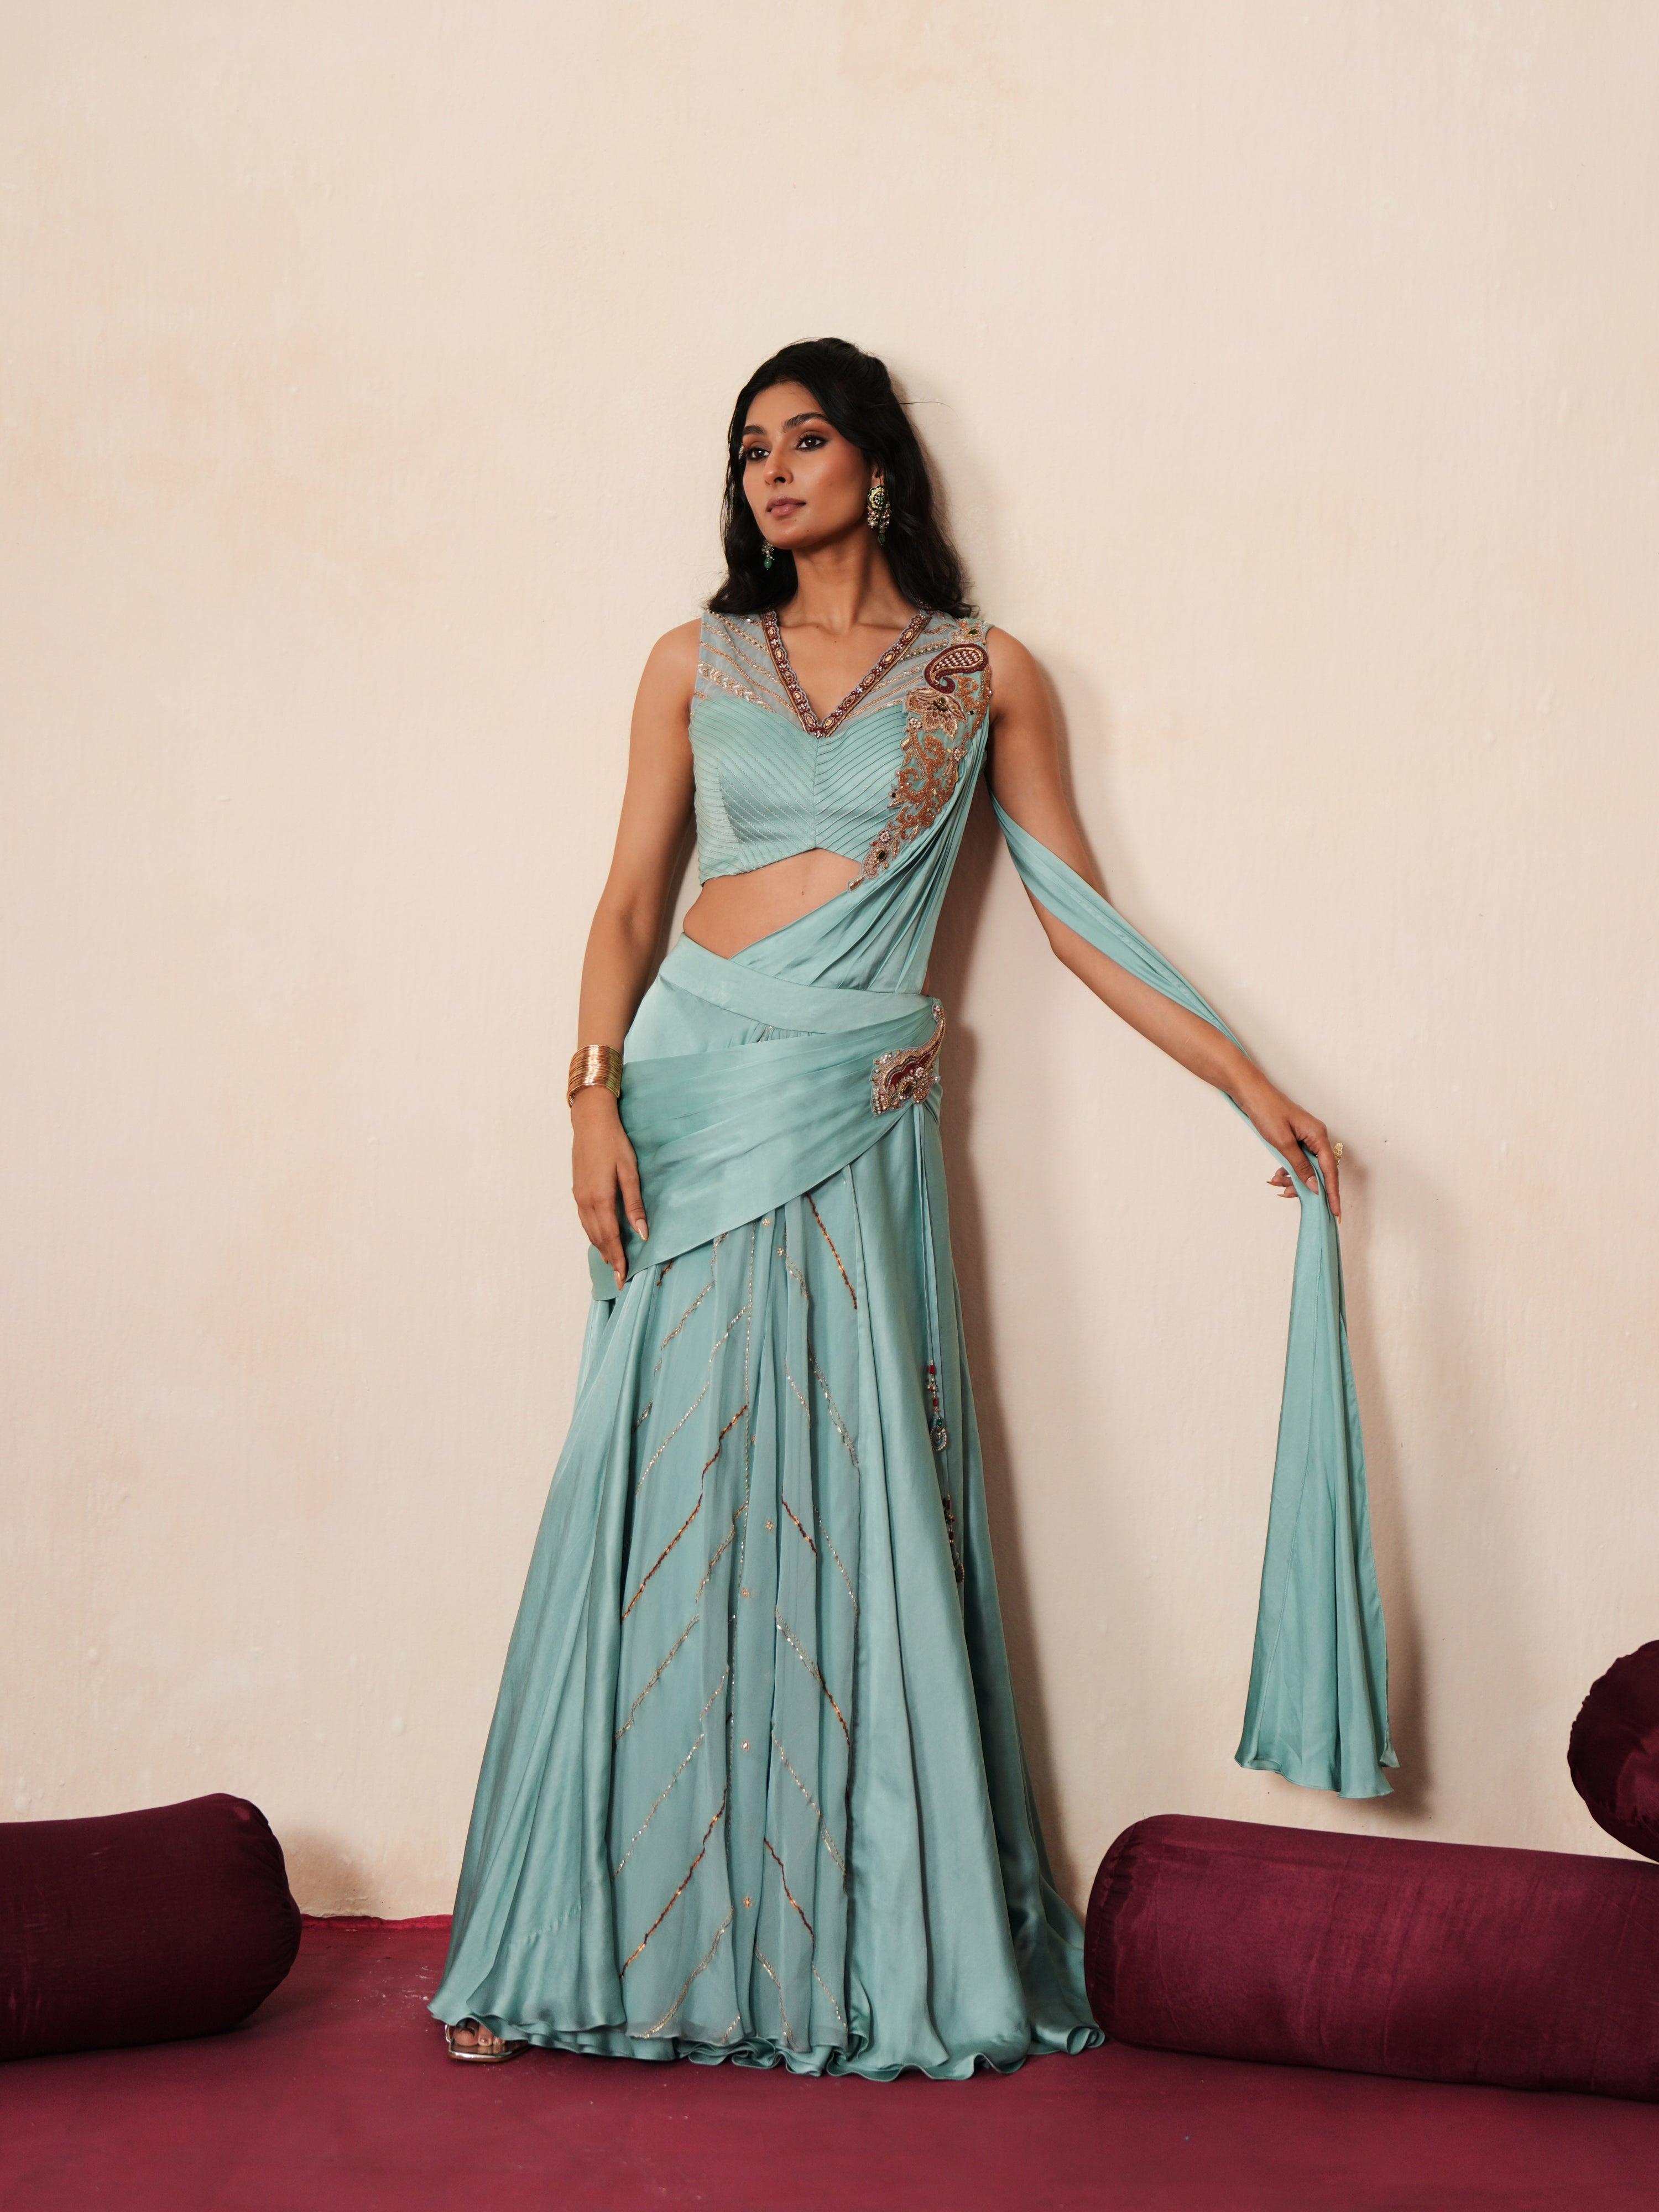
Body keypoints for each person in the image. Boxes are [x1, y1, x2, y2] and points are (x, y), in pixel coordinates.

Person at [432, 337, 1391, 2077]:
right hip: (696, 1100)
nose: (772, 472)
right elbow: (630, 902)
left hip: (856, 1122)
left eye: (805, 440)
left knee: (852, 1495)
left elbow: (1076, 916)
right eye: (748, 451)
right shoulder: (690, 660)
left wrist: (1249, 1079)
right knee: (637, 1497)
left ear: (878, 466)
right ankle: (568, 1937)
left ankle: (850, 1950)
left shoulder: (983, 672)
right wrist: (587, 1097)